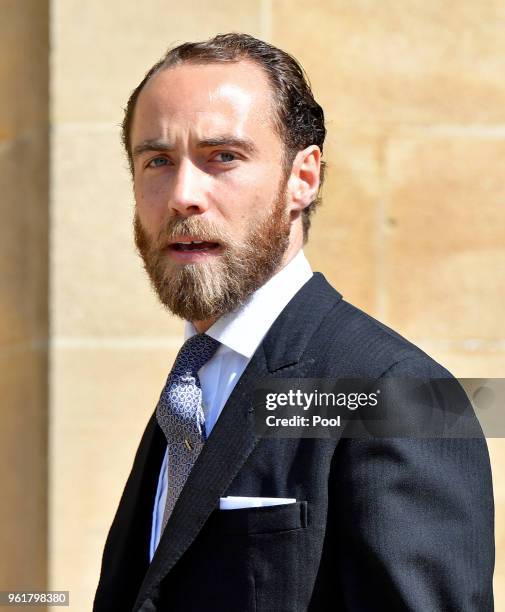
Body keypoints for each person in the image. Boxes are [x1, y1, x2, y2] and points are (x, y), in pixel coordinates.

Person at [93, 33, 494, 611]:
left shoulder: (397, 395)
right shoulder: (192, 386)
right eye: (157, 160)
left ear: (302, 179)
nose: (183, 195)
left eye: (222, 157)